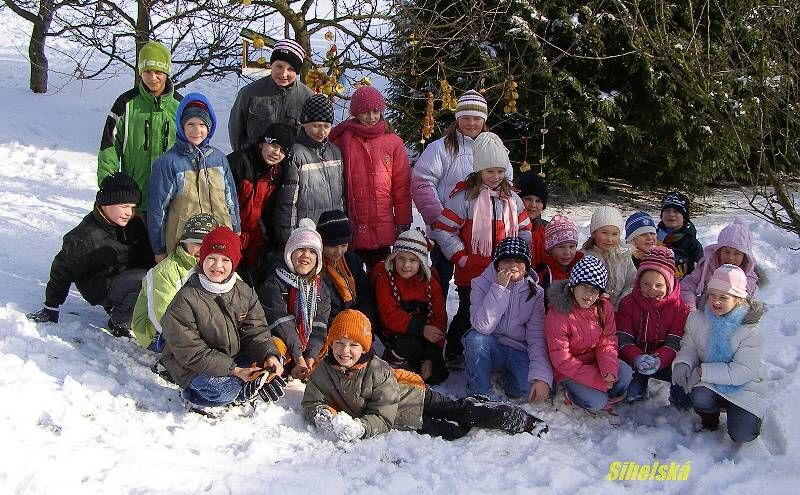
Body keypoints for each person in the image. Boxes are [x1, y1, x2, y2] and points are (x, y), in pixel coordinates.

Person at [302, 310, 547, 441]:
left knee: (462, 412)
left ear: (365, 347)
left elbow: (382, 416)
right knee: (455, 432)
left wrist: (361, 428)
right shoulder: (323, 372)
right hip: (407, 417)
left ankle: (517, 419)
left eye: (353, 345)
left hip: (417, 397)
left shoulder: (377, 369)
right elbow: (312, 401)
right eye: (339, 343)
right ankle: (477, 408)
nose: (345, 351)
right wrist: (323, 415)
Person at [431, 132, 531, 369]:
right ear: (478, 170)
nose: (496, 177)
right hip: (472, 272)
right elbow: (444, 229)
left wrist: (521, 258)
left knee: (498, 311)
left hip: (505, 271)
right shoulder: (465, 198)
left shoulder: (512, 199)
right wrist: (461, 257)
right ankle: (455, 349)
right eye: (490, 171)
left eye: (500, 171)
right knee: (469, 312)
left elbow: (525, 228)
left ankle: (488, 350)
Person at [159, 226, 286, 409]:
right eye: (211, 258)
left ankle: (244, 385)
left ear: (234, 263)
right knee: (226, 390)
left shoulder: (244, 292)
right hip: (191, 364)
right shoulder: (186, 299)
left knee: (264, 369)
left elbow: (255, 331)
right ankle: (194, 396)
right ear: (202, 259)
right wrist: (235, 371)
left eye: (225, 260)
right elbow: (192, 352)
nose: (218, 266)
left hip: (229, 358)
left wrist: (269, 355)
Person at [27, 173, 154, 337]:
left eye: (132, 207)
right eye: (124, 206)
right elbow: (61, 270)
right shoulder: (85, 237)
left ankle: (130, 307)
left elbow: (145, 254)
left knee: (156, 276)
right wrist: (51, 307)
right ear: (106, 203)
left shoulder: (133, 224)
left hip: (123, 275)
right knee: (145, 280)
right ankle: (121, 320)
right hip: (99, 284)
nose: (129, 212)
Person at [412, 90, 498, 300]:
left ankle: (467, 317)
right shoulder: (440, 148)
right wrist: (439, 219)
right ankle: (436, 317)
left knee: (475, 283)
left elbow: (505, 183)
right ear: (457, 118)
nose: (471, 123)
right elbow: (422, 182)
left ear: (484, 119)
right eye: (465, 118)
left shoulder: (494, 149)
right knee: (439, 280)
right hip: (444, 232)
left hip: (479, 233)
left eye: (476, 118)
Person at [672, 264, 765, 442]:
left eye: (723, 297)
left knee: (743, 435)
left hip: (744, 387)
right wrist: (683, 363)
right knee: (699, 396)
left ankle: (748, 419)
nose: (716, 302)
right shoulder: (697, 318)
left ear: (738, 299)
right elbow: (690, 346)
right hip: (711, 383)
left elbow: (743, 371)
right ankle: (710, 418)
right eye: (712, 295)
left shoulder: (750, 329)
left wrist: (702, 372)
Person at [147, 93, 240, 262]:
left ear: (210, 126)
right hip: (183, 245)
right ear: (181, 125)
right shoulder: (168, 163)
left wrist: (236, 229)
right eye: (190, 124)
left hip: (219, 244)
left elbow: (230, 200)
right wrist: (159, 249)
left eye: (202, 124)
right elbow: (157, 211)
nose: (197, 130)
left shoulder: (219, 159)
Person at [329, 85, 412, 272]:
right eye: (365, 112)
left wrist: (403, 223)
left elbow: (401, 188)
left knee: (381, 278)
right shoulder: (341, 140)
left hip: (382, 228)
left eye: (375, 111)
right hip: (351, 228)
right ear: (355, 113)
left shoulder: (393, 142)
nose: (371, 117)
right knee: (353, 279)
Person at [97, 41, 182, 216]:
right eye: (147, 71)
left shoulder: (180, 106)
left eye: (158, 72)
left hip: (172, 201)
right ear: (140, 72)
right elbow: (109, 147)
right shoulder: (125, 104)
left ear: (167, 72)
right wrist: (109, 186)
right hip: (134, 201)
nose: (153, 78)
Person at [465, 237, 552, 402]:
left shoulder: (536, 293)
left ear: (527, 267)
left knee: (527, 389)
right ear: (497, 264)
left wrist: (541, 377)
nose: (512, 265)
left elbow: (536, 337)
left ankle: (508, 380)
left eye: (519, 261)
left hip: (518, 349)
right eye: (506, 261)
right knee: (474, 339)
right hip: (490, 346)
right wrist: (499, 288)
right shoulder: (480, 284)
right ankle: (478, 394)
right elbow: (482, 326)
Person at [545, 255, 633, 413]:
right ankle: (570, 393)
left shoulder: (603, 307)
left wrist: (608, 369)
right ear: (573, 285)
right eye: (584, 286)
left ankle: (608, 392)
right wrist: (596, 378)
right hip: (568, 370)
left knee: (624, 373)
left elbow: (607, 341)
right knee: (597, 402)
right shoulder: (558, 314)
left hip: (594, 360)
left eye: (595, 290)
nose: (589, 294)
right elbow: (562, 359)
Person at [131, 213, 218, 351]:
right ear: (184, 241)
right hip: (157, 332)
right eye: (197, 243)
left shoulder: (217, 266)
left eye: (208, 245)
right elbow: (163, 317)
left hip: (198, 327)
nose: (202, 250)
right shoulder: (166, 271)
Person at [616, 246, 691, 405]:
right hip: (634, 360)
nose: (652, 290)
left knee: (683, 383)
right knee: (632, 396)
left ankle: (678, 400)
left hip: (666, 361)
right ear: (638, 282)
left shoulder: (680, 308)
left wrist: (659, 359)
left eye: (659, 285)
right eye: (646, 284)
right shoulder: (628, 304)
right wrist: (636, 357)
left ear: (669, 284)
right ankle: (638, 386)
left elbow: (675, 342)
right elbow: (623, 339)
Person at [258, 218, 331, 381]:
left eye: (312, 252)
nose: (306, 256)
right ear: (290, 253)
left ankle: (314, 374)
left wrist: (309, 357)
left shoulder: (321, 288)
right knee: (274, 345)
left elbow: (319, 325)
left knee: (327, 344)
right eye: (300, 249)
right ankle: (271, 376)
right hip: (284, 343)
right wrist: (298, 358)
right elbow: (281, 322)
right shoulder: (274, 283)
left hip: (306, 349)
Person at [269, 95, 345, 249]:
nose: (322, 131)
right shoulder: (296, 154)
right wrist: (289, 238)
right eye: (316, 125)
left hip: (331, 233)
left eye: (326, 126)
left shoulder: (335, 152)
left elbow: (342, 195)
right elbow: (287, 202)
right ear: (304, 123)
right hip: (305, 232)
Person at [373, 229, 448, 385]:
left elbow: (439, 317)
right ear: (394, 258)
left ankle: (418, 362)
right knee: (408, 345)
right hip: (396, 331)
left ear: (421, 262)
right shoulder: (385, 278)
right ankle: (394, 359)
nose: (406, 265)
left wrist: (430, 356)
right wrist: (421, 329)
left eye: (413, 260)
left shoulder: (430, 282)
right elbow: (390, 315)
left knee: (436, 374)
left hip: (424, 331)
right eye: (401, 258)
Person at [227, 123, 295, 285]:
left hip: (254, 238)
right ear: (262, 143)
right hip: (232, 233)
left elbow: (269, 210)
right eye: (274, 145)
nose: (276, 153)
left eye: (283, 150)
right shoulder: (238, 163)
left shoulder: (276, 172)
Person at [228, 39, 313, 151]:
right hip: (254, 158)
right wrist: (242, 156)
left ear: (297, 72)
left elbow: (312, 135)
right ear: (271, 65)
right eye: (279, 66)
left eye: (291, 69)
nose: (283, 74)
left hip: (291, 160)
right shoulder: (249, 93)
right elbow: (236, 130)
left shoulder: (307, 97)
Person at [681, 217, 759, 311]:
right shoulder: (707, 267)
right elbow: (687, 286)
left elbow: (746, 304)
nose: (730, 257)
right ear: (719, 251)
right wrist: (691, 308)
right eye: (726, 252)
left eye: (737, 253)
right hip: (703, 312)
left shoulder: (748, 278)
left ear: (745, 256)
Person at [316, 209, 377, 327]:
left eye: (343, 245)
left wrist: (362, 321)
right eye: (332, 246)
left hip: (359, 322)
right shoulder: (317, 268)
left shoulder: (352, 261)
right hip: (334, 326)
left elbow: (366, 296)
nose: (338, 252)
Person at [580, 206, 637, 308]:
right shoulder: (584, 257)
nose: (609, 239)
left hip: (622, 310)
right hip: (593, 310)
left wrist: (622, 303)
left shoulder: (624, 256)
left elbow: (632, 283)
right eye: (604, 233)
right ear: (594, 233)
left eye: (615, 234)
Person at [656, 192, 703, 279]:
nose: (671, 214)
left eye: (676, 211)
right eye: (667, 210)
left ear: (684, 216)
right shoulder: (653, 237)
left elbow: (697, 274)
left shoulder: (691, 243)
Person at [534, 214, 584, 295]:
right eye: (561, 247)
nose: (567, 252)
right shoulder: (544, 273)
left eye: (572, 247)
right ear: (550, 249)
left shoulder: (582, 268)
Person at [517, 172, 549, 266]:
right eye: (528, 199)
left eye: (538, 201)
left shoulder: (548, 230)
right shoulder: (508, 227)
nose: (533, 205)